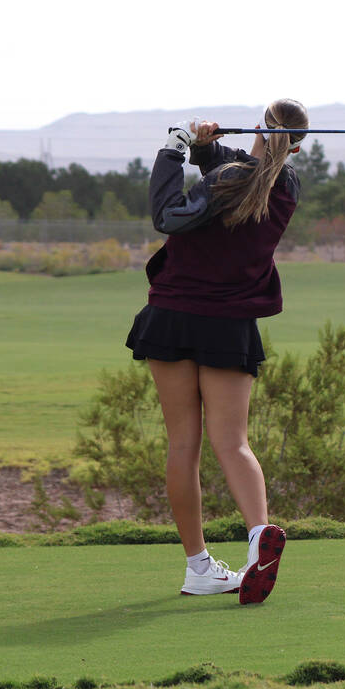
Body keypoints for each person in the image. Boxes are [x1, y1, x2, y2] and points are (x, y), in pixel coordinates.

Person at [125, 99, 309, 604]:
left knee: (183, 445)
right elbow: (243, 173)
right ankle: (257, 537)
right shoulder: (286, 188)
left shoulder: (227, 178)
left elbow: (170, 215)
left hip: (174, 318)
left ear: (257, 127)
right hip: (229, 326)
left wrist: (174, 150)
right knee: (234, 444)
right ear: (297, 145)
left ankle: (198, 567)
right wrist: (207, 150)